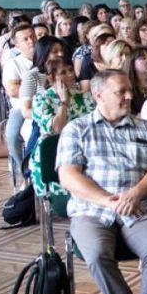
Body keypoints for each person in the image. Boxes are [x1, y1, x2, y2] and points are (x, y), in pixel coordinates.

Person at [55, 69, 147, 294]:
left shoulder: (145, 129)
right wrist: (107, 201)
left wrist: (135, 193)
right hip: (92, 210)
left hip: (137, 207)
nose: (130, 96)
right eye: (122, 92)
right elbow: (69, 176)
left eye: (129, 90)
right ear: (99, 95)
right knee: (95, 254)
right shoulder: (77, 129)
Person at [31, 57, 96, 201]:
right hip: (54, 155)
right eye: (63, 72)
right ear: (50, 76)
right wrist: (64, 102)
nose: (71, 75)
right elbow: (56, 129)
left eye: (71, 70)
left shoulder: (84, 96)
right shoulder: (41, 99)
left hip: (85, 151)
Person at [2, 23, 38, 183]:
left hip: (46, 103)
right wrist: (38, 88)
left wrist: (27, 85)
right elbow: (13, 90)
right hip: (21, 107)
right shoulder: (13, 63)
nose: (31, 41)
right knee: (12, 136)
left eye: (33, 36)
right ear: (17, 45)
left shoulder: (46, 58)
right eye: (26, 39)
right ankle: (23, 168)